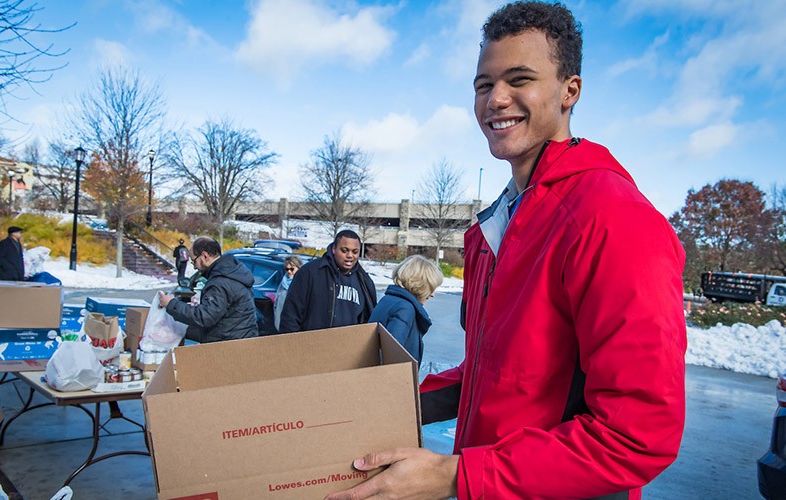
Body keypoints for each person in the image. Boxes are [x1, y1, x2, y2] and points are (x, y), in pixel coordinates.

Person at [326, 2, 686, 499]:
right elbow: (494, 375)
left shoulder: (612, 220)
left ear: (569, 91)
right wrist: (397, 400)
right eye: (483, 84)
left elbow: (638, 433)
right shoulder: (493, 227)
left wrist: (458, 476)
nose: (496, 99)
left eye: (519, 79)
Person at [158, 237, 258, 343]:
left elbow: (205, 317)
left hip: (228, 346)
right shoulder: (232, 272)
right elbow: (222, 309)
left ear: (205, 256)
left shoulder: (220, 282)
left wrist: (171, 304)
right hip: (241, 341)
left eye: (194, 261)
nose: (195, 267)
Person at [279, 230, 376, 333]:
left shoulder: (364, 281)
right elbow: (290, 317)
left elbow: (368, 322)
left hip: (347, 347)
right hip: (311, 345)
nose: (350, 255)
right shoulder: (309, 273)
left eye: (355, 252)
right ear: (334, 249)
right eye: (344, 250)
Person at [368, 255, 443, 362]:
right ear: (420, 285)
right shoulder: (405, 309)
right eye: (431, 288)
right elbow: (392, 357)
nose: (432, 295)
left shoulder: (389, 300)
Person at [273, 255, 302, 332]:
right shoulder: (283, 283)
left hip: (296, 327)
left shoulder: (302, 283)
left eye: (292, 269)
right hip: (281, 325)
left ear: (298, 268)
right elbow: (276, 302)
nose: (289, 271)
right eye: (287, 269)